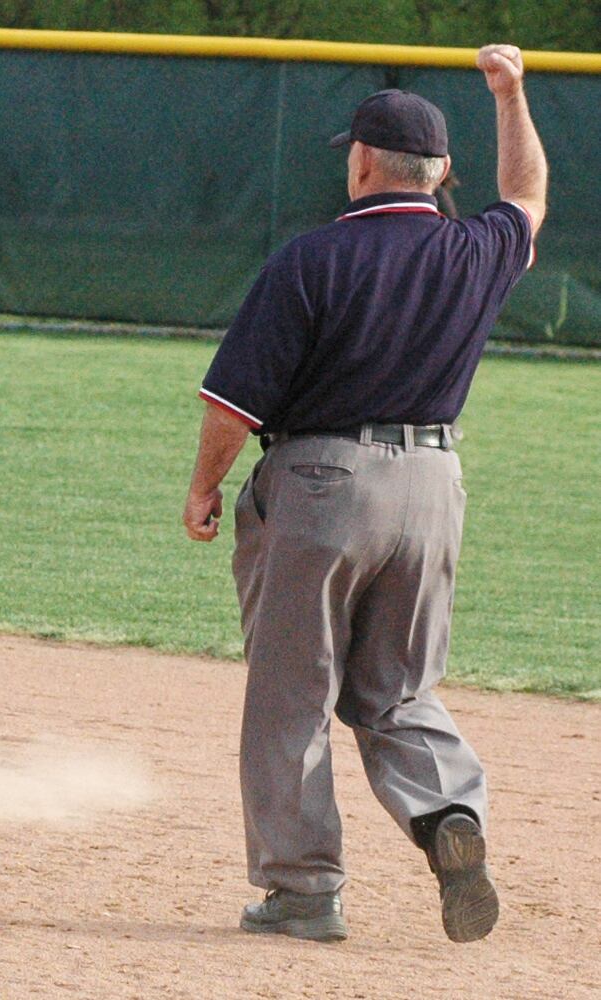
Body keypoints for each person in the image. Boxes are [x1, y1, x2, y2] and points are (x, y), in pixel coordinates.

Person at [182, 44, 545, 944]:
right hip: (435, 486)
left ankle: (305, 892)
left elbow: (232, 401)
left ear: (362, 163)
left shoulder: (315, 259)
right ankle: (448, 815)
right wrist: (511, 96)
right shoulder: (478, 249)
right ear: (442, 172)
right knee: (399, 690)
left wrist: (204, 488)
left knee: (291, 694)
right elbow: (529, 198)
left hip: (324, 486)